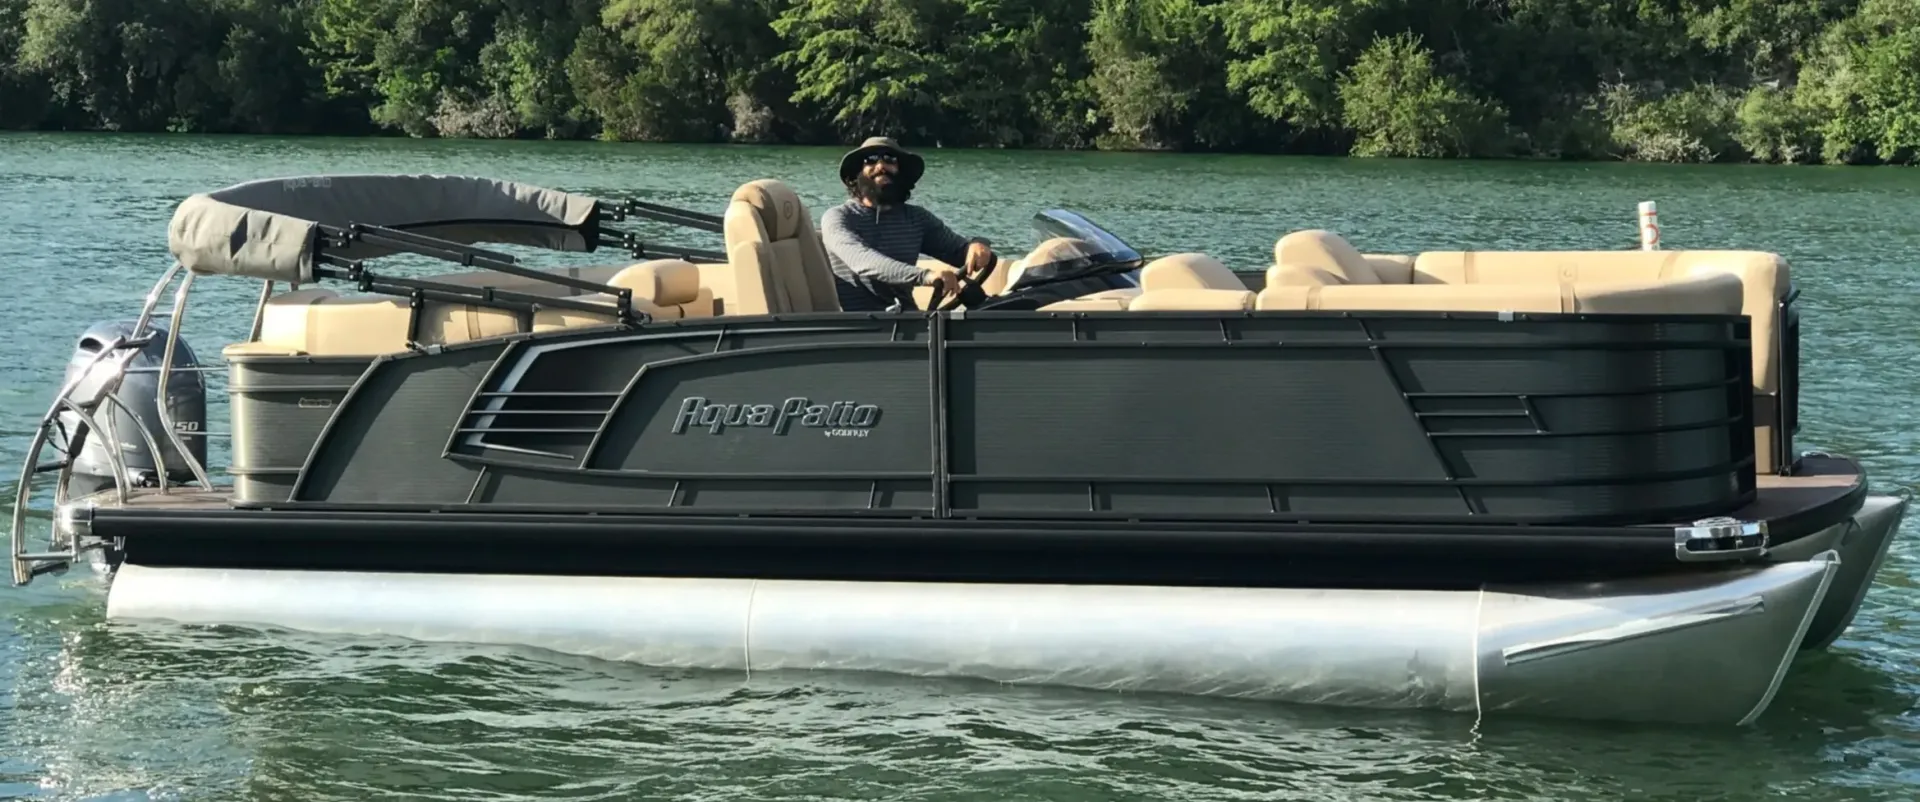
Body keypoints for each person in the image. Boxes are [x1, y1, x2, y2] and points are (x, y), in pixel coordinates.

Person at [819, 136, 997, 311]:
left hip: (908, 322)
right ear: (857, 173)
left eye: (890, 159)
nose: (881, 166)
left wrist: (979, 244)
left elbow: (960, 251)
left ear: (900, 171)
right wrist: (925, 276)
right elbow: (862, 261)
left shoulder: (916, 218)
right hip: (857, 327)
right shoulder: (838, 217)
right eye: (870, 160)